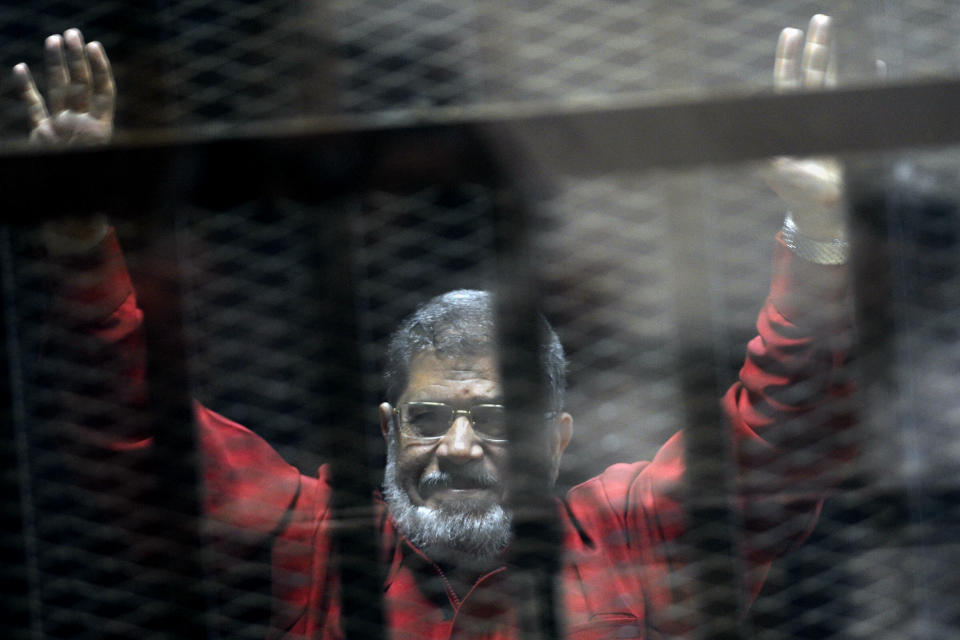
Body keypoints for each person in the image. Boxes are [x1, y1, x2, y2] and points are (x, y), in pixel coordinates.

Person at [14, 15, 855, 639]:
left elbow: (780, 434)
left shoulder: (633, 529)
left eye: (493, 421)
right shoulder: (313, 540)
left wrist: (816, 233)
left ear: (557, 439)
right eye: (427, 419)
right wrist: (82, 242)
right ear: (387, 430)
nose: (455, 446)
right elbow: (139, 437)